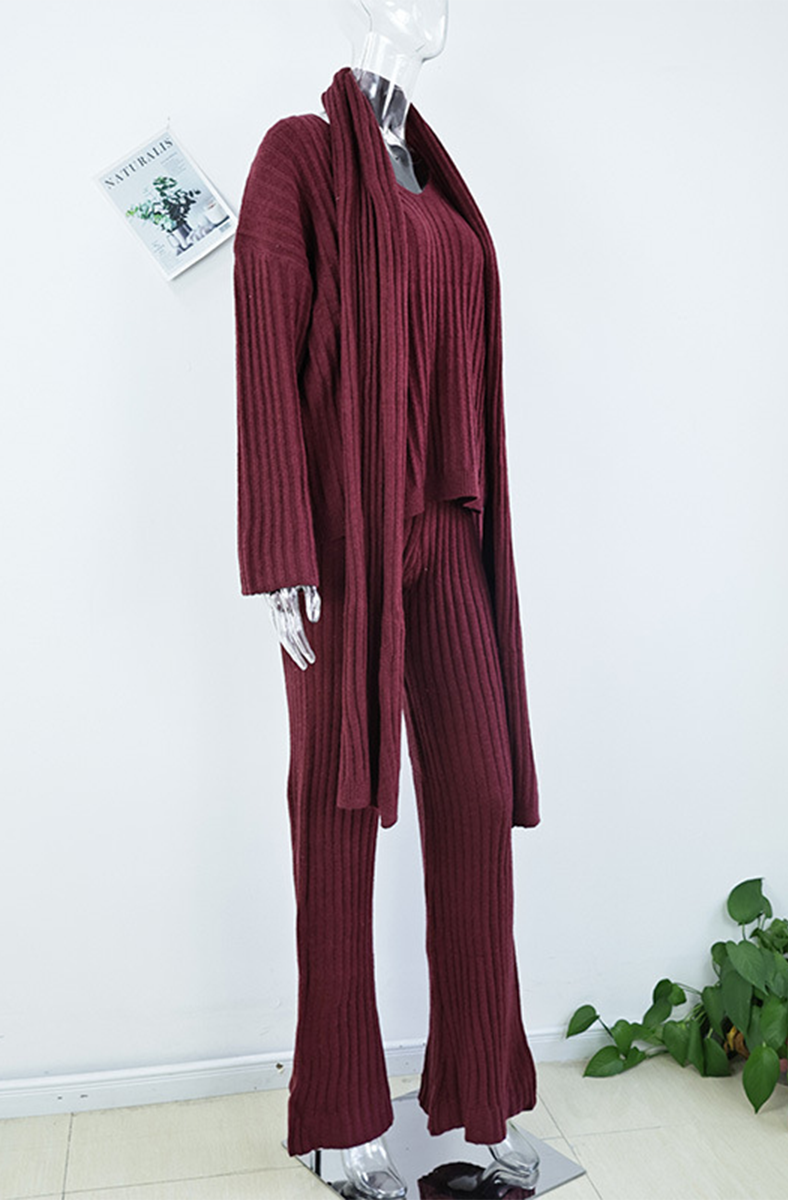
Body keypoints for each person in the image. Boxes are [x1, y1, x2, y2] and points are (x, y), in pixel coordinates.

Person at [235, 3, 541, 1196]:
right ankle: (342, 1116)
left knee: (475, 797)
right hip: (339, 541)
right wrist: (280, 551)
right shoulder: (299, 156)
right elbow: (265, 343)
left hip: (447, 528)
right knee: (334, 813)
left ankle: (476, 1099)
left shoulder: (432, 172)